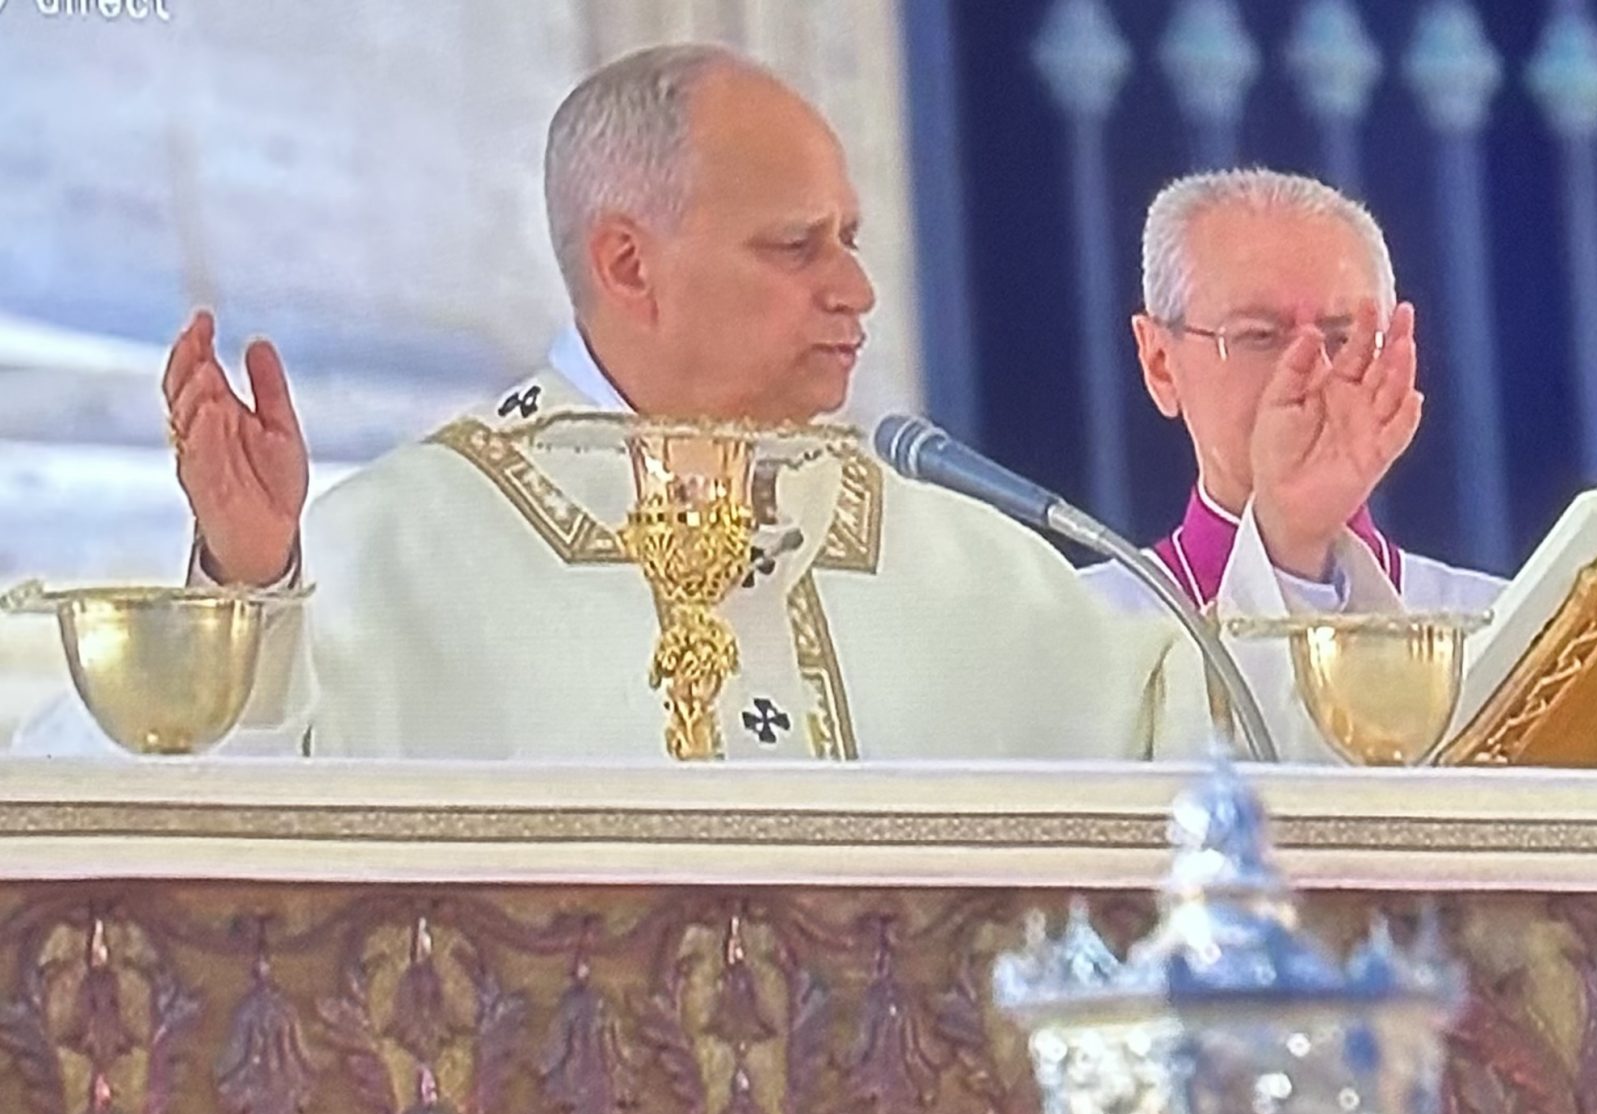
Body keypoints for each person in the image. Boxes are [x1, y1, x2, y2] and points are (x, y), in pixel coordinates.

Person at [14, 45, 1211, 762]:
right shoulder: (397, 547)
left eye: (849, 237)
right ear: (629, 263)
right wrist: (242, 586)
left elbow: (1212, 751)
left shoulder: (958, 554)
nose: (855, 289)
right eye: (795, 248)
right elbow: (124, 822)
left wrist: (1294, 532)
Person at [1083, 169, 1503, 759]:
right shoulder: (1078, 640)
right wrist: (1285, 539)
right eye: (1258, 337)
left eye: (1342, 338)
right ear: (1158, 362)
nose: (1310, 373)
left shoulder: (1500, 634)